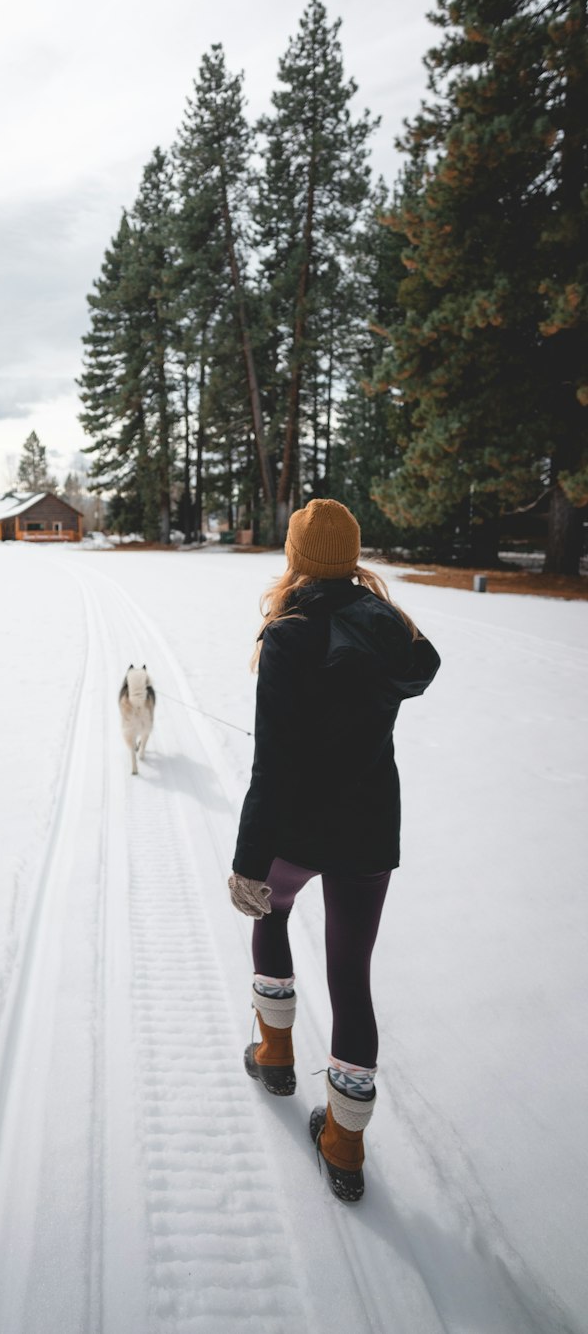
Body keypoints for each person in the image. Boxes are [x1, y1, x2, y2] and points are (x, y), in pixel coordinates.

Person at [228, 499, 439, 1202]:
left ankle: (276, 1055)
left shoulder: (288, 634)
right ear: (350, 556)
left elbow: (274, 765)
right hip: (369, 828)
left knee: (270, 915)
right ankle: (344, 1147)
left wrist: (248, 862)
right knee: (351, 975)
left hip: (297, 830)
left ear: (296, 557)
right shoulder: (389, 630)